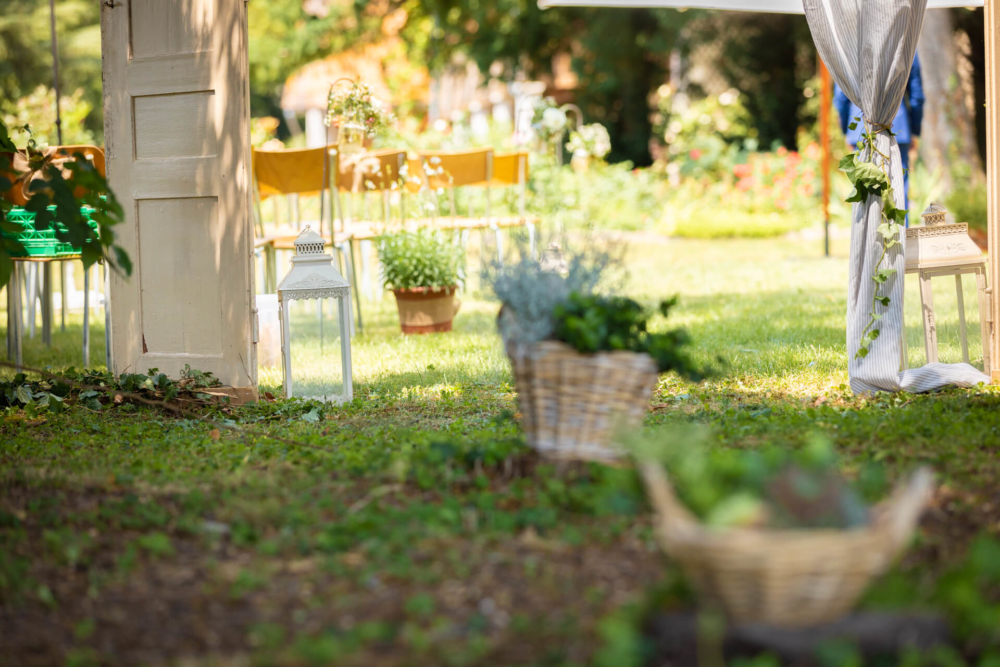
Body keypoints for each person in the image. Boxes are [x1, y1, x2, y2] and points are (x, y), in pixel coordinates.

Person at [834, 54, 925, 225]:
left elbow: (841, 95)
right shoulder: (905, 40)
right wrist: (914, 130)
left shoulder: (853, 43)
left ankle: (867, 246)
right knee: (897, 191)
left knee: (865, 191)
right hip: (897, 125)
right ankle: (899, 244)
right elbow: (917, 95)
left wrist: (847, 129)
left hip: (861, 126)